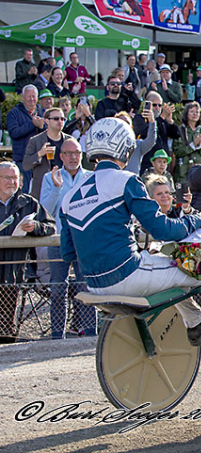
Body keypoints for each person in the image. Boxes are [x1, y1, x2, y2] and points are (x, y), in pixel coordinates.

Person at [60, 118, 201, 422]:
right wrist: (199, 221)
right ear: (122, 148)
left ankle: (194, 320)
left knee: (175, 264)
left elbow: (68, 252)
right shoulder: (127, 181)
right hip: (131, 276)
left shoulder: (69, 197)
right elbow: (161, 228)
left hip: (95, 286)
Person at [40, 138, 96, 339]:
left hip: (84, 240)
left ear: (82, 155)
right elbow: (45, 209)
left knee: (86, 286)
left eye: (77, 153)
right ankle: (57, 335)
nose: (73, 157)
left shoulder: (91, 177)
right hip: (58, 239)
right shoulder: (49, 177)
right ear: (61, 156)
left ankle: (91, 333)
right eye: (69, 153)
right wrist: (56, 188)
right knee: (57, 288)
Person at [0, 162, 55, 344]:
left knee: (9, 319)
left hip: (16, 270)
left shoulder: (28, 203)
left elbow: (50, 226)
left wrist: (35, 227)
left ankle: (8, 349)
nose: (12, 182)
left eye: (15, 178)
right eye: (7, 178)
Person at [22, 107, 68, 201]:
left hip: (65, 186)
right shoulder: (35, 141)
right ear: (47, 121)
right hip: (42, 188)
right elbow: (26, 165)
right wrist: (40, 153)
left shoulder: (69, 141)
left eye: (62, 119)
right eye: (56, 119)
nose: (60, 121)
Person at [8, 85, 46, 192]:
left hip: (40, 160)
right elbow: (14, 133)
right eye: (29, 97)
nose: (31, 99)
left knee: (39, 192)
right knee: (23, 192)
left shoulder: (42, 111)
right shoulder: (14, 113)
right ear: (23, 97)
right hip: (23, 160)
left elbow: (49, 132)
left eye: (34, 96)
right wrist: (32, 124)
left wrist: (42, 126)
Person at [173, 101, 201, 183]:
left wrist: (200, 144)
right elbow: (177, 151)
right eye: (192, 111)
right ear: (186, 114)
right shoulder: (180, 130)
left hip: (200, 169)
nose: (195, 114)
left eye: (197, 112)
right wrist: (193, 145)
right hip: (183, 171)